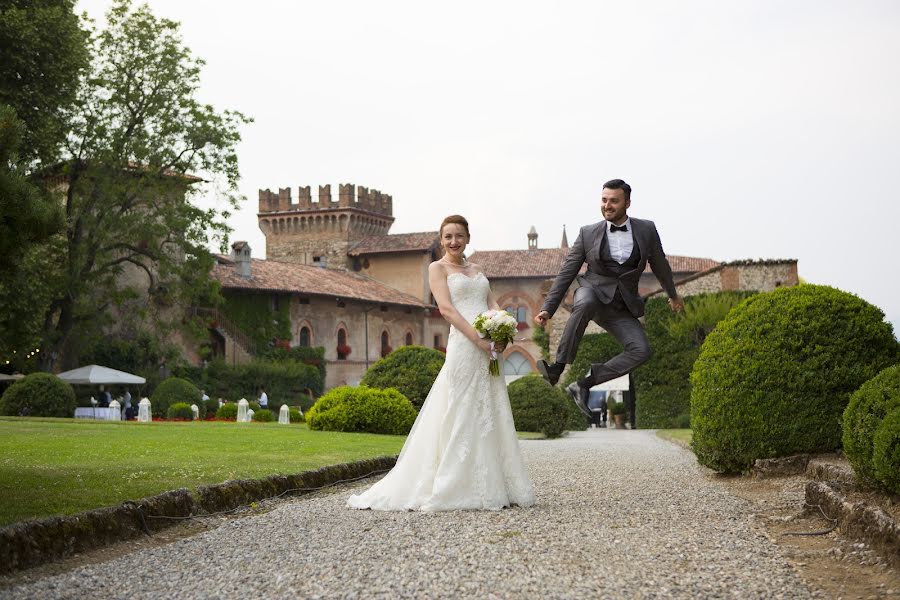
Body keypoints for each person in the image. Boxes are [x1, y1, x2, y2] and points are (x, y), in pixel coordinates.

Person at [348, 215, 535, 511]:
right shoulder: (437, 268)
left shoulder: (477, 269)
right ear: (441, 240)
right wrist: (478, 339)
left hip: (489, 345)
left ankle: (496, 483)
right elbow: (447, 309)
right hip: (465, 343)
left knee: (490, 406)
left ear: (468, 238)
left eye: (459, 235)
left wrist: (503, 327)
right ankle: (452, 484)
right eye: (448, 236)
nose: (453, 241)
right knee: (460, 407)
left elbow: (492, 303)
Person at [535, 179, 683, 419]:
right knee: (585, 301)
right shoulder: (588, 233)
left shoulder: (646, 230)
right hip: (592, 290)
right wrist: (547, 309)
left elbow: (661, 266)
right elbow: (567, 272)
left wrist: (673, 295)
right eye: (604, 200)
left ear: (627, 203)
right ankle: (557, 369)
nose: (607, 205)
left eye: (614, 201)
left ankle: (584, 384)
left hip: (621, 306)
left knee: (641, 350)